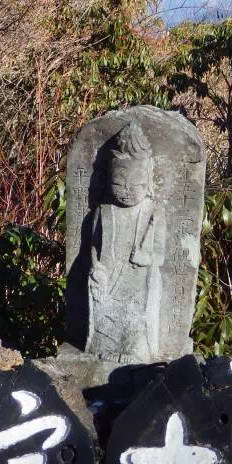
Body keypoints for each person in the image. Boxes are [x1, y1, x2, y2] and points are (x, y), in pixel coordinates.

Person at [86, 121, 164, 362]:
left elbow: (160, 255)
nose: (126, 191)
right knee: (106, 316)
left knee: (135, 315)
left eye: (135, 185)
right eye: (119, 184)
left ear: (148, 180)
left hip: (138, 281)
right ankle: (104, 347)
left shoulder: (153, 213)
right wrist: (96, 266)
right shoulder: (104, 210)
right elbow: (93, 245)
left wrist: (145, 258)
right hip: (109, 277)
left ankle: (135, 350)